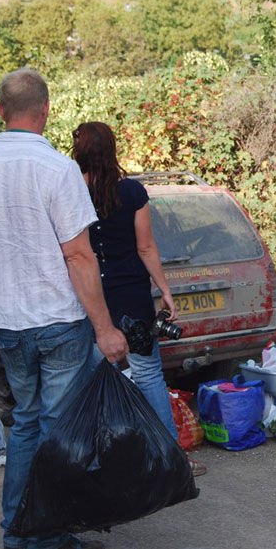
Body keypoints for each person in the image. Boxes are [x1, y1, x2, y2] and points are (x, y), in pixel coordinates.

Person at [0, 68, 127, 549]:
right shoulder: (58, 170)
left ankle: (18, 531)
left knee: (26, 423)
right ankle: (46, 533)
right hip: (59, 322)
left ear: (2, 111)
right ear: (45, 111)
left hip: (5, 322)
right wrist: (105, 328)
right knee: (55, 427)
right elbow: (78, 255)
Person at [71, 121, 206, 477]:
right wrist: (164, 289)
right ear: (112, 149)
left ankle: (97, 460)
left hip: (87, 297)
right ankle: (172, 458)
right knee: (148, 376)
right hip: (132, 296)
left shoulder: (68, 192)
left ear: (78, 152)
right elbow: (145, 246)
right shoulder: (131, 193)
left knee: (90, 377)